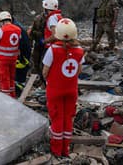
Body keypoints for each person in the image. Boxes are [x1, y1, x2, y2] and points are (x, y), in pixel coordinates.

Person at [42, 18, 85, 157]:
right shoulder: (80, 51)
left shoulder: (52, 50)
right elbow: (79, 70)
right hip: (71, 90)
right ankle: (65, 149)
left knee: (57, 119)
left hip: (55, 90)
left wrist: (50, 80)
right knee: (68, 118)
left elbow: (45, 71)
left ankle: (56, 151)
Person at [0, 11, 21, 98]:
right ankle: (12, 97)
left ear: (2, 21)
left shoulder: (1, 30)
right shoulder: (18, 29)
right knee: (11, 78)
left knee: (3, 79)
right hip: (13, 59)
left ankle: (6, 99)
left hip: (3, 59)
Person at [12, 17, 31, 97]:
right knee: (20, 75)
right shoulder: (19, 27)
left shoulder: (16, 28)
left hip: (22, 56)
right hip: (25, 55)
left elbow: (19, 43)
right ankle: (18, 91)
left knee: (19, 75)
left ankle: (18, 93)